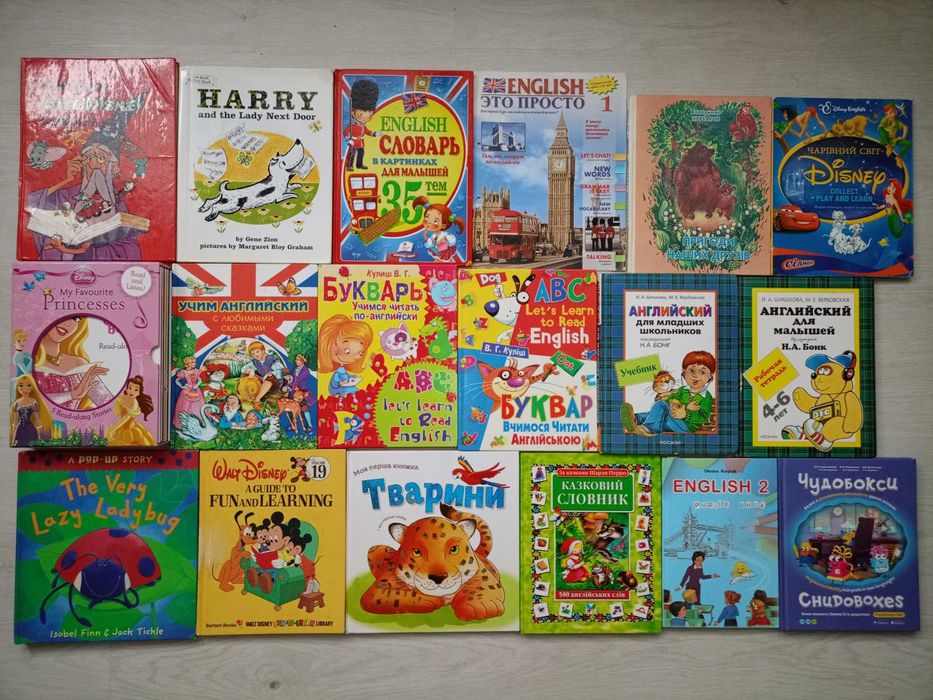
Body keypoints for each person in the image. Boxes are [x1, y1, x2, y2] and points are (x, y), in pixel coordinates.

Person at [623, 350, 716, 436]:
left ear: (710, 377)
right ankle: (635, 419)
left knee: (660, 405)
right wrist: (671, 400)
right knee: (657, 413)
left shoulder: (706, 397)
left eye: (702, 372)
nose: (695, 375)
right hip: (671, 421)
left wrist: (686, 414)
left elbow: (702, 417)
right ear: (684, 373)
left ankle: (649, 429)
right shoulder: (682, 390)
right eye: (691, 370)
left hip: (685, 426)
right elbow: (672, 399)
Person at [33, 316, 113, 410]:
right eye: (61, 315)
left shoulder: (79, 363)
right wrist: (72, 395)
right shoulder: (27, 362)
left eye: (76, 319)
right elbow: (30, 400)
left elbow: (105, 401)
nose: (68, 323)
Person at [319, 315, 373, 398]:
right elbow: (334, 383)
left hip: (347, 387)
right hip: (339, 389)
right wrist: (343, 383)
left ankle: (354, 399)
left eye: (360, 353)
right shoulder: (337, 372)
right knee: (346, 391)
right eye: (347, 351)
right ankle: (342, 401)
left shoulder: (342, 369)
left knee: (354, 390)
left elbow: (347, 377)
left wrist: (354, 378)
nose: (356, 357)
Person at [106, 375, 155, 446]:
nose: (132, 391)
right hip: (120, 428)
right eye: (130, 388)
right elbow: (116, 414)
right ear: (127, 389)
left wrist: (112, 429)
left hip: (130, 429)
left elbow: (125, 419)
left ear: (139, 393)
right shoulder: (123, 398)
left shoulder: (135, 404)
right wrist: (117, 403)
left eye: (136, 390)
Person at [343, 79, 380, 172]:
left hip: (361, 143)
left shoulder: (363, 126)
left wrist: (375, 134)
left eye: (369, 112)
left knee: (361, 154)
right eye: (362, 112)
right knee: (352, 154)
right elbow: (345, 132)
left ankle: (359, 165)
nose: (365, 116)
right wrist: (349, 139)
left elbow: (367, 132)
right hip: (354, 142)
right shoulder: (352, 126)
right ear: (353, 113)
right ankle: (350, 166)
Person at [10, 374, 51, 446]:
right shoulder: (16, 403)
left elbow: (37, 419)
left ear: (32, 387)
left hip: (30, 429)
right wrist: (13, 432)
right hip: (19, 430)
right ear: (17, 387)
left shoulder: (33, 403)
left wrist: (39, 430)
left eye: (28, 385)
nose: (24, 389)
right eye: (21, 385)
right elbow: (15, 421)